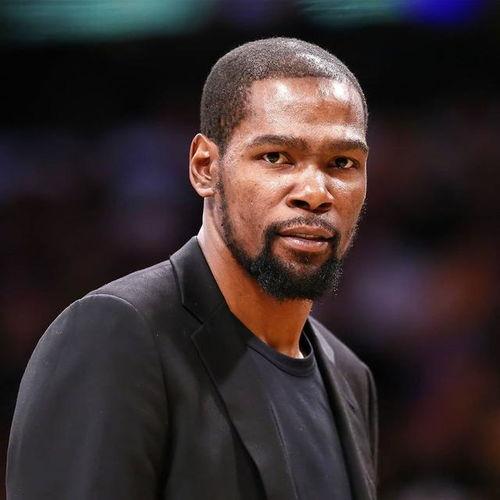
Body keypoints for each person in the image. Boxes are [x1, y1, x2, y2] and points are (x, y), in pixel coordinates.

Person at [7, 37, 378, 500]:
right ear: (205, 167)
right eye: (276, 157)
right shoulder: (118, 335)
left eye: (342, 162)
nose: (315, 193)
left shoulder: (351, 377)